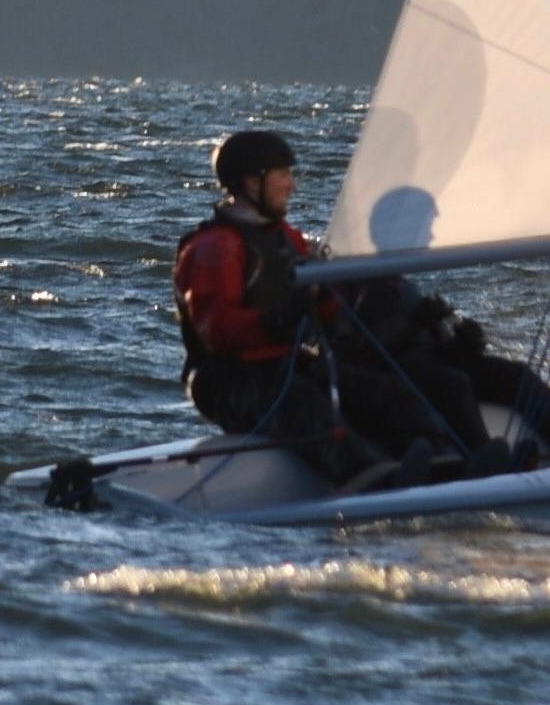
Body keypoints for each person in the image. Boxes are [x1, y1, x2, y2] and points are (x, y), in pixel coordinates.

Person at [173, 130, 448, 492]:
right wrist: (276, 322)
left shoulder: (289, 239)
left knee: (386, 391)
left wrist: (342, 300)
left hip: (285, 364)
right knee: (303, 405)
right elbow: (217, 329)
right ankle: (369, 480)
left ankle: (445, 464)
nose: (292, 186)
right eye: (283, 176)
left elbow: (329, 313)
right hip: (229, 379)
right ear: (252, 182)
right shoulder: (215, 246)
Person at [330, 275, 550, 467]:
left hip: (430, 359)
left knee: (515, 375)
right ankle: (485, 459)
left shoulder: (400, 283)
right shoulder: (342, 287)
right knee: (454, 383)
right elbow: (355, 355)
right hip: (391, 374)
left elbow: (436, 337)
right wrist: (411, 324)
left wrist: (465, 342)